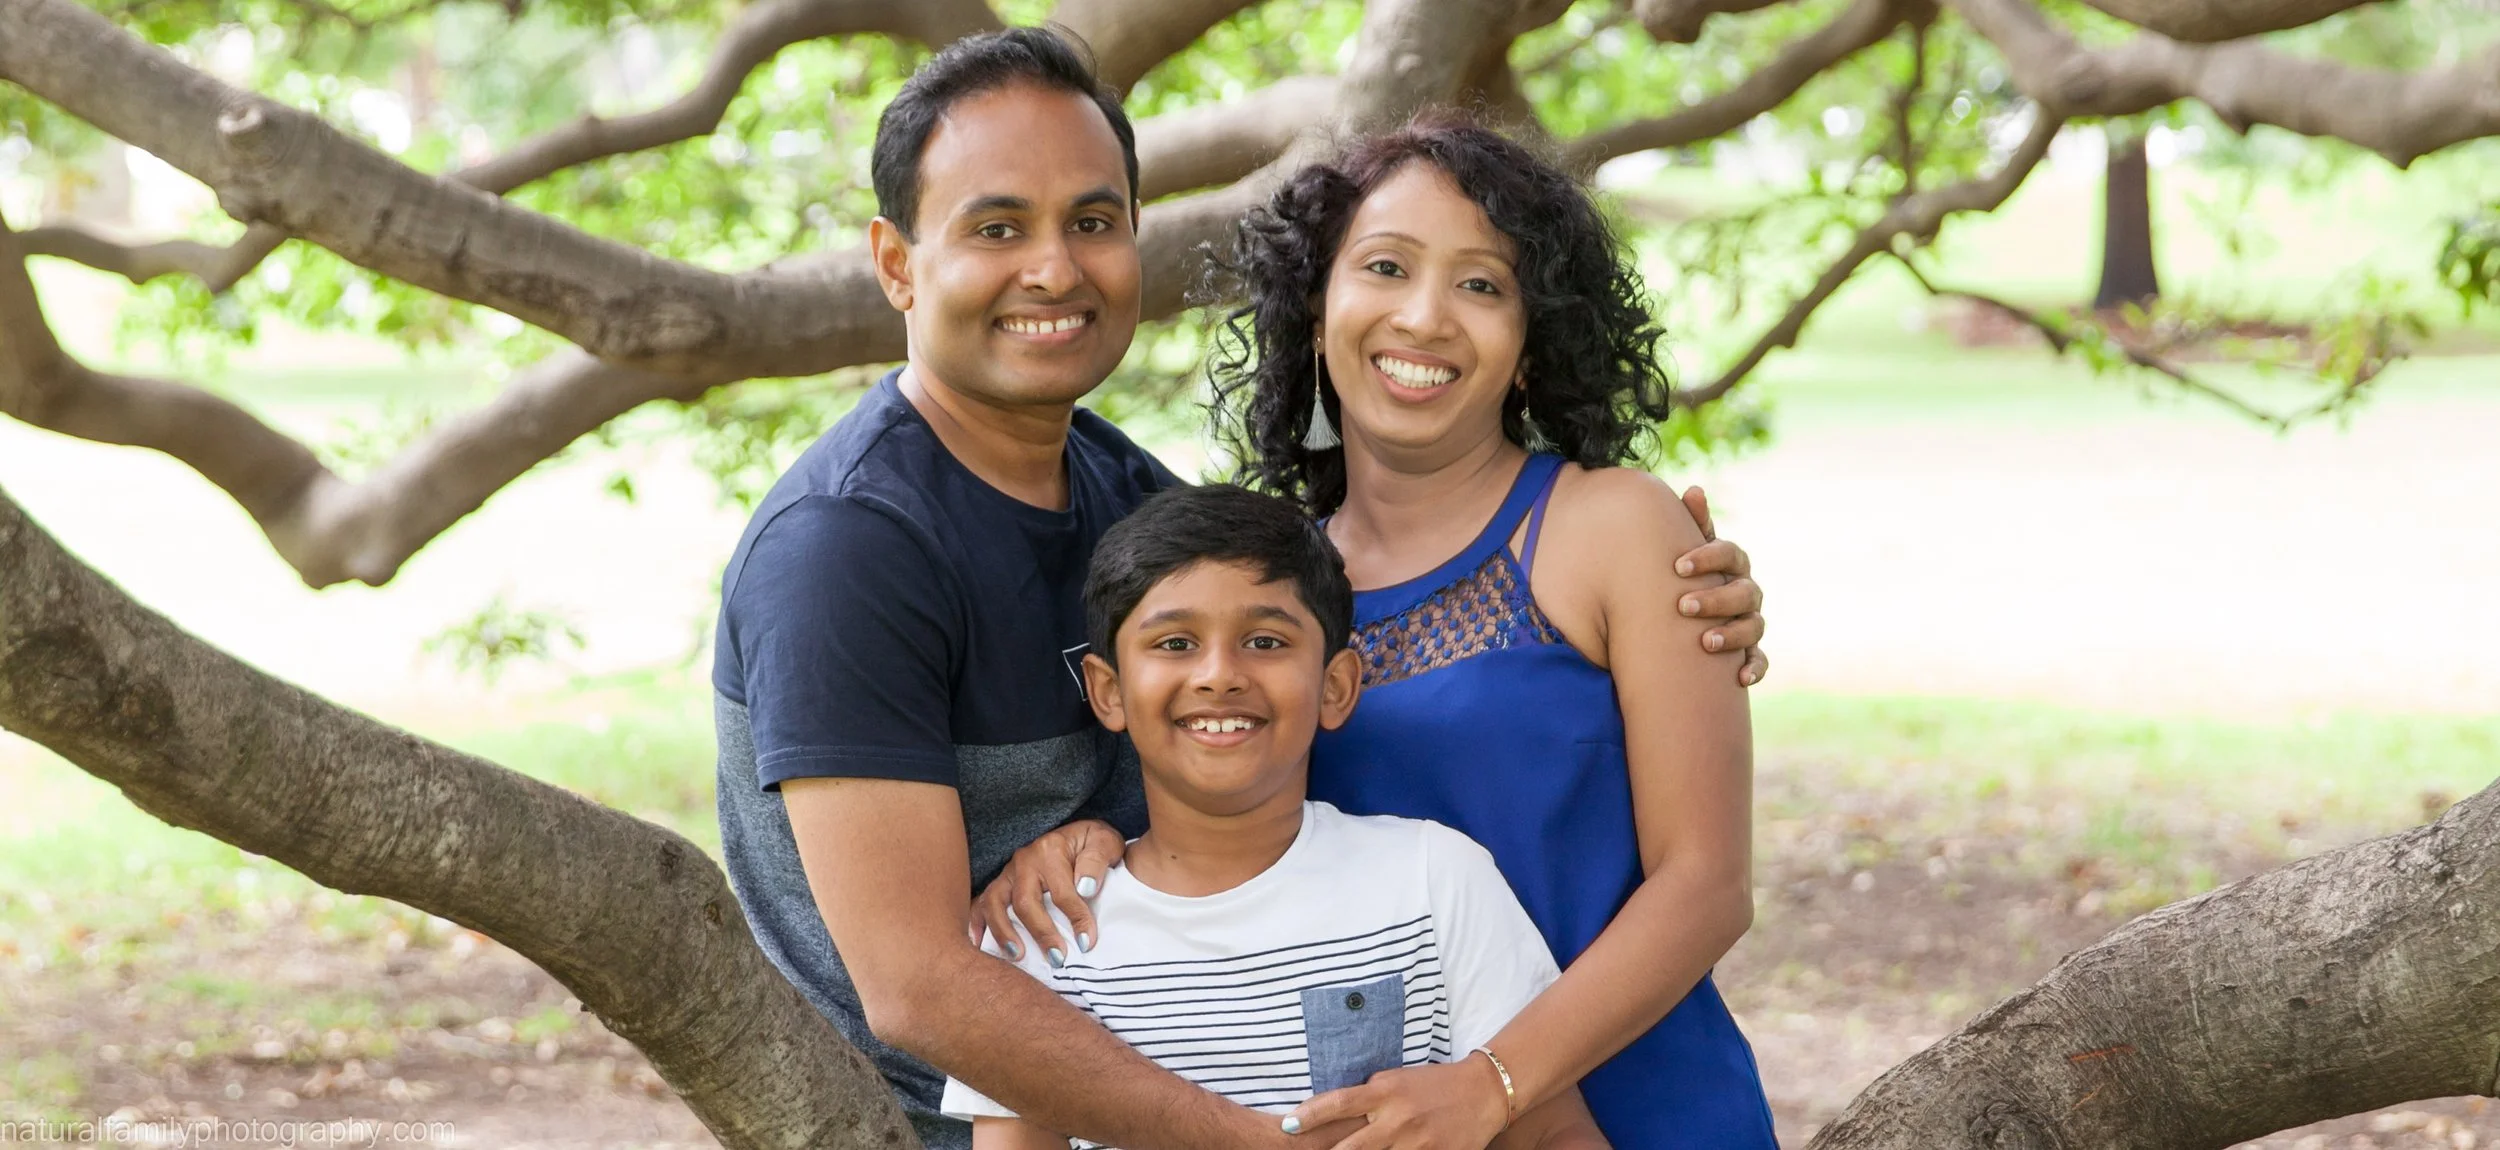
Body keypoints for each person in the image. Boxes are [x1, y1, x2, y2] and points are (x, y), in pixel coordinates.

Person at [712, 28, 1767, 1149]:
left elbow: (1705, 879)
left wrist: (1493, 1083)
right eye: (996, 227)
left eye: (1092, 222)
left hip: (1593, 1092)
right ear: (896, 263)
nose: (1055, 269)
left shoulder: (1157, 514)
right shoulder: (848, 549)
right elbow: (920, 981)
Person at [983, 116, 1778, 1148]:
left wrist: (1491, 1084)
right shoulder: (1269, 592)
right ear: (1316, 313)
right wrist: (1087, 836)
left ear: (1532, 339)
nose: (1425, 316)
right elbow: (1206, 783)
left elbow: (1707, 886)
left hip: (1637, 1111)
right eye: (1385, 267)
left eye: (1481, 285)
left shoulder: (1615, 528)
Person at [940, 483, 1609, 1150]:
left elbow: (1554, 1133)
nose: (1219, 674)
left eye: (1264, 641)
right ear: (1108, 692)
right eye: (1174, 643)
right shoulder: (1038, 933)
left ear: (1336, 686)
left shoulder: (1436, 878)